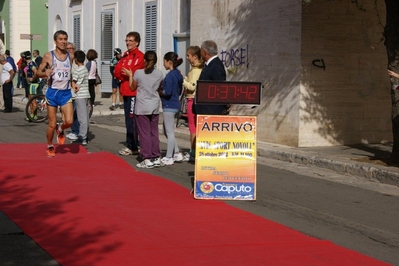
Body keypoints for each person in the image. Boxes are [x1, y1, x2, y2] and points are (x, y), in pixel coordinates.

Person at [34, 30, 74, 158]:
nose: (63, 41)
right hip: (52, 93)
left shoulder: (70, 56)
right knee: (51, 124)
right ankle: (50, 145)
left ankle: (61, 128)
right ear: (55, 41)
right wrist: (44, 73)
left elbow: (69, 73)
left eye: (65, 39)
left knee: (69, 121)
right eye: (60, 39)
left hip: (66, 93)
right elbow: (37, 73)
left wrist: (73, 83)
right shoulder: (48, 56)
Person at [123, 51, 164, 168]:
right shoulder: (160, 74)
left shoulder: (138, 73)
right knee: (153, 132)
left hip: (142, 106)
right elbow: (160, 88)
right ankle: (156, 156)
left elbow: (132, 88)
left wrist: (130, 75)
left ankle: (146, 157)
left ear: (144, 60)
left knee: (144, 133)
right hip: (154, 105)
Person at [113, 31, 145, 156]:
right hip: (125, 91)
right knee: (128, 119)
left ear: (137, 42)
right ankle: (132, 144)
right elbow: (116, 71)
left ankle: (133, 145)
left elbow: (135, 72)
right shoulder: (125, 56)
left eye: (130, 40)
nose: (128, 43)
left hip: (133, 91)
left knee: (132, 119)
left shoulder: (139, 56)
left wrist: (127, 74)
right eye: (127, 40)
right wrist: (125, 74)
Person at [159, 52, 184, 166]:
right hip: (175, 104)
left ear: (169, 62)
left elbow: (167, 92)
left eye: (164, 61)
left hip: (169, 105)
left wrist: (160, 91)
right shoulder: (178, 74)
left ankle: (169, 157)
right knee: (167, 131)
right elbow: (178, 91)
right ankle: (177, 152)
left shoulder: (169, 76)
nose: (163, 63)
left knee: (169, 132)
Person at [193, 40, 228, 115]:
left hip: (211, 111)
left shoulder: (216, 66)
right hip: (204, 110)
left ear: (205, 52)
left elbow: (221, 88)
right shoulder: (209, 64)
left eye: (201, 50)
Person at [182, 46, 203, 161]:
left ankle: (193, 152)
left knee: (192, 128)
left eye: (188, 55)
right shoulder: (197, 69)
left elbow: (192, 86)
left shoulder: (195, 71)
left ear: (195, 57)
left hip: (192, 99)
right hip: (194, 99)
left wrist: (182, 81)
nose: (187, 58)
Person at [70, 50, 90, 146]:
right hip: (86, 94)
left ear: (76, 60)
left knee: (81, 118)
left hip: (80, 95)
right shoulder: (85, 69)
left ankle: (82, 137)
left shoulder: (77, 70)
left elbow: (75, 83)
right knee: (85, 116)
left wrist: (72, 84)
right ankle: (85, 135)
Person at [24, 51, 41, 121]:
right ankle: (34, 115)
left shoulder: (31, 63)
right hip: (31, 84)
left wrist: (32, 79)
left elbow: (36, 72)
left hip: (33, 84)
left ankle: (31, 115)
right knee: (30, 100)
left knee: (33, 101)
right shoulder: (29, 64)